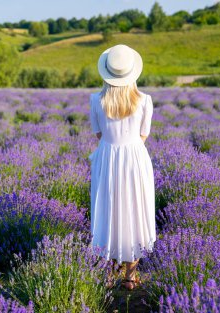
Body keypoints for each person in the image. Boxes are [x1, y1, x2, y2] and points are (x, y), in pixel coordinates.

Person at [88, 44, 156, 291]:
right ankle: (130, 276)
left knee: (107, 210)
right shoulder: (145, 100)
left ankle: (107, 273)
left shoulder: (96, 100)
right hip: (135, 159)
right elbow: (143, 136)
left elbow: (98, 134)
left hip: (107, 158)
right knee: (135, 211)